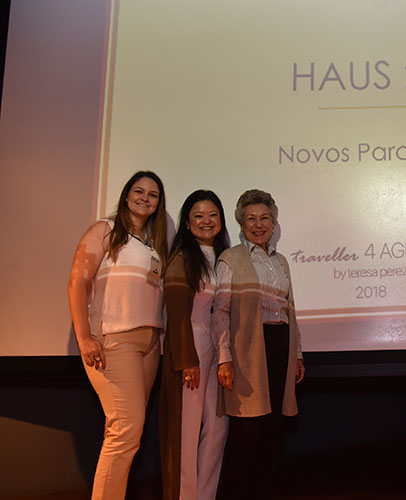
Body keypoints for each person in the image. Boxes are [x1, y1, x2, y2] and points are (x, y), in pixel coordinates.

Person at [67, 171, 168, 500]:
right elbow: (78, 282)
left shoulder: (153, 244)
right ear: (126, 195)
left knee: (130, 435)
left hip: (150, 345)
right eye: (139, 191)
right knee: (124, 432)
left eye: (153, 194)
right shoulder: (105, 230)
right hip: (114, 340)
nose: (145, 198)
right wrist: (84, 338)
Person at [213, 189, 305, 500]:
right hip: (247, 352)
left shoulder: (281, 262)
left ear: (273, 223)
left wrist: (297, 355)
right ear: (241, 223)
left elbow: (289, 310)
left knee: (273, 434)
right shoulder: (230, 259)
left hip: (280, 348)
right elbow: (220, 312)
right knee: (246, 435)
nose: (259, 224)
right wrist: (224, 357)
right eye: (251, 218)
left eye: (265, 218)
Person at [160, 190, 231, 500]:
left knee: (218, 428)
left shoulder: (225, 257)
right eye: (198, 215)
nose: (206, 221)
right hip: (191, 343)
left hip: (219, 346)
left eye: (213, 214)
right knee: (186, 430)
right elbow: (177, 313)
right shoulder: (182, 258)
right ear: (187, 223)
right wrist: (187, 359)